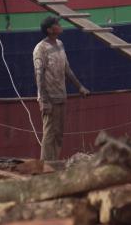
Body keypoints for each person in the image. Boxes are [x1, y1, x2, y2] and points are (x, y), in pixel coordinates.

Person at [32, 16, 90, 161]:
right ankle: (46, 166)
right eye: (57, 24)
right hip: (49, 99)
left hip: (61, 96)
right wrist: (44, 101)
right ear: (50, 30)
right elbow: (39, 75)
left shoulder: (60, 44)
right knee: (49, 134)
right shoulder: (40, 49)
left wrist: (80, 87)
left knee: (58, 134)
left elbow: (67, 69)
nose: (60, 25)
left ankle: (55, 163)